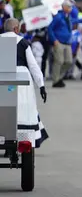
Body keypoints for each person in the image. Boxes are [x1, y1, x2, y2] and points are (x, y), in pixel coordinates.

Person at [1, 19, 49, 150]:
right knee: (23, 110)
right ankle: (23, 140)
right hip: (21, 77)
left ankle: (4, 138)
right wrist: (41, 86)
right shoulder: (23, 43)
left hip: (3, 77)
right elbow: (33, 66)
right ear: (16, 29)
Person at [48, 0, 74, 88]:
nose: (71, 8)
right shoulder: (58, 16)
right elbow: (50, 28)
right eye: (69, 7)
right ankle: (56, 80)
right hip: (59, 42)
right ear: (64, 7)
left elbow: (74, 21)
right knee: (59, 61)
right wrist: (54, 40)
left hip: (67, 42)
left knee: (69, 61)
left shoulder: (68, 17)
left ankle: (59, 76)